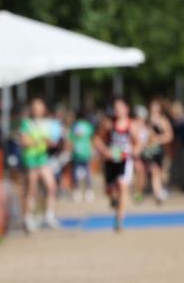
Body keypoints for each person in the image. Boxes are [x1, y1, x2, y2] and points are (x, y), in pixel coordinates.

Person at [94, 97, 143, 232]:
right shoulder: (108, 124)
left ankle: (119, 220)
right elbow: (97, 139)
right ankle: (113, 199)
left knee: (123, 186)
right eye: (115, 108)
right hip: (110, 161)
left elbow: (138, 142)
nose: (118, 111)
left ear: (126, 109)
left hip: (125, 160)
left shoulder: (131, 125)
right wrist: (105, 151)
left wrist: (135, 151)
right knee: (110, 190)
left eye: (120, 108)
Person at [18, 97, 60, 231]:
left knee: (52, 186)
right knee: (31, 190)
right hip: (31, 160)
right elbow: (24, 141)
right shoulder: (27, 124)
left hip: (43, 160)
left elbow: (53, 141)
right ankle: (27, 218)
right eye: (35, 107)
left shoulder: (48, 124)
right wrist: (37, 141)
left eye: (39, 107)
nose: (37, 110)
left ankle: (49, 215)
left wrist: (50, 143)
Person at [143, 98, 174, 204]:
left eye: (156, 108)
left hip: (160, 150)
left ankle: (160, 190)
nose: (153, 110)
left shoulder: (163, 120)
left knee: (160, 172)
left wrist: (158, 138)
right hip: (150, 150)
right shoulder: (147, 121)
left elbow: (169, 135)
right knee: (154, 170)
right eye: (152, 108)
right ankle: (157, 193)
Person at [68, 110, 96, 202]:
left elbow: (71, 138)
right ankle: (89, 191)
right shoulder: (88, 126)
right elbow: (92, 138)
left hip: (77, 151)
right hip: (86, 151)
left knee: (76, 172)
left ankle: (77, 191)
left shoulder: (75, 125)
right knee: (88, 172)